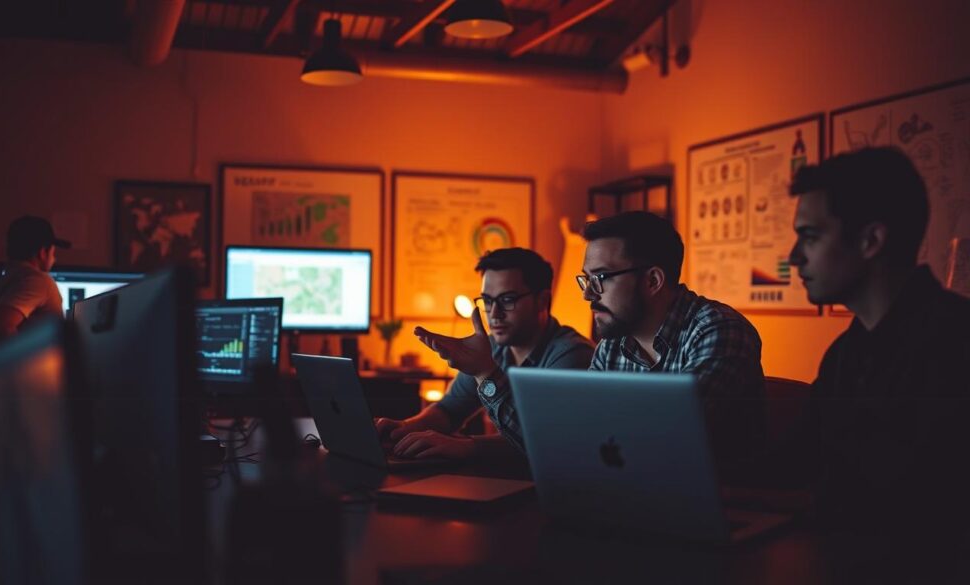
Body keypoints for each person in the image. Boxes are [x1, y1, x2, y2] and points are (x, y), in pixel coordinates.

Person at [788, 147, 970, 578]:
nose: (795, 256)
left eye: (810, 236)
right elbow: (795, 463)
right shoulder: (843, 355)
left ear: (871, 241)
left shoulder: (956, 344)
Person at [580, 211, 765, 470]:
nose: (588, 294)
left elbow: (671, 432)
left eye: (599, 278)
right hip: (633, 488)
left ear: (652, 281)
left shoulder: (720, 330)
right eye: (586, 279)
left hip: (726, 499)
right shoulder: (612, 345)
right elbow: (586, 429)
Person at [380, 248, 594, 458]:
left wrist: (466, 446)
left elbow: (543, 439)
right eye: (488, 301)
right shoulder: (492, 347)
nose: (494, 314)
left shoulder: (572, 354)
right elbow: (449, 411)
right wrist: (402, 428)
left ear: (543, 301)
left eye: (507, 300)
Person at [0, 215, 69, 347]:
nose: (54, 259)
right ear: (42, 252)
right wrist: (28, 366)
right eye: (53, 253)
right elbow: (1, 327)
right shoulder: (38, 281)